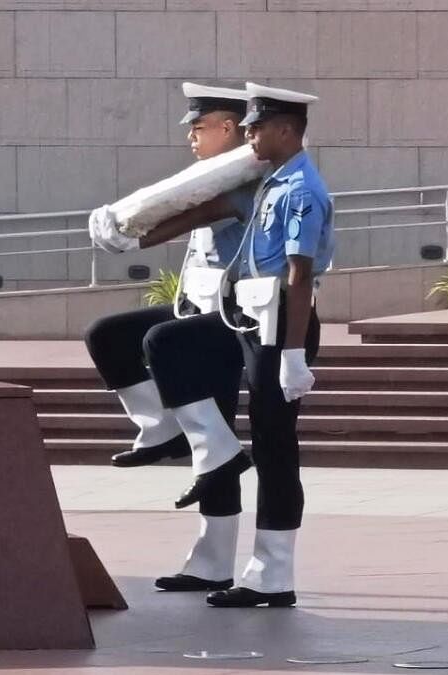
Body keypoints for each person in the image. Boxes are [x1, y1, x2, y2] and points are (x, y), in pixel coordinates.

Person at [103, 82, 333, 608]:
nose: (247, 136)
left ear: (284, 130)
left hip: (283, 328)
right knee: (161, 346)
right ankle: (209, 502)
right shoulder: (267, 181)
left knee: (275, 448)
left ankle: (272, 574)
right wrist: (133, 238)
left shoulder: (300, 190)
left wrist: (294, 356)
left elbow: (299, 278)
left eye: (254, 127)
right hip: (246, 319)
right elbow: (204, 213)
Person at [84, 83, 256, 593]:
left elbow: (188, 215)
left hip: (228, 320)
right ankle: (161, 427)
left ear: (228, 128)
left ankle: (212, 562)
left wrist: (131, 228)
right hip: (195, 309)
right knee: (108, 336)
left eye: (199, 128)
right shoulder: (210, 178)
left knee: (218, 440)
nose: (192, 138)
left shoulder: (246, 178)